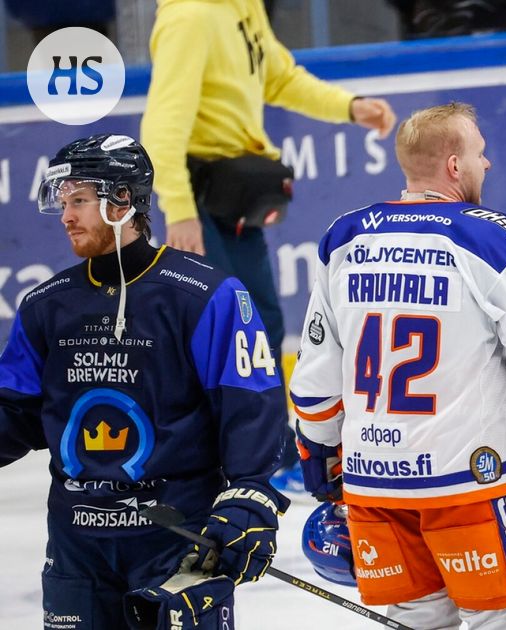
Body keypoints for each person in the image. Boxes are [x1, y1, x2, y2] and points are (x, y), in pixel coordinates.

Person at [288, 103, 506, 629]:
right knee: (502, 622)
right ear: (453, 166)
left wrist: (320, 446)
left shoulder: (346, 237)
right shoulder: (485, 236)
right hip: (469, 486)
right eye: (478, 153)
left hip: (376, 488)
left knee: (418, 622)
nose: (486, 164)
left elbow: (315, 376)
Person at [0, 134, 289, 629]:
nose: (67, 216)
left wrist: (250, 494)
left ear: (123, 200)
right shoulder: (46, 305)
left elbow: (251, 405)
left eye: (80, 201)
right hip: (78, 546)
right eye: (63, 202)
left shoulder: (206, 294)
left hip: (178, 541)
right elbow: (15, 413)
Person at [139, 0, 397, 491]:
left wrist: (348, 107)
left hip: (233, 195)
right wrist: (180, 209)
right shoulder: (190, 17)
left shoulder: (243, 8)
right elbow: (162, 126)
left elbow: (279, 78)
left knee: (260, 325)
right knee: (228, 331)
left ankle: (271, 453)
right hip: (200, 195)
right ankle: (234, 459)